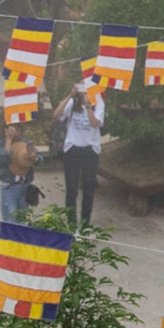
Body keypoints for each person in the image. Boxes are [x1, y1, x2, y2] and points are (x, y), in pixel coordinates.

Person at [56, 74, 104, 225]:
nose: (84, 91)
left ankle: (85, 225)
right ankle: (71, 224)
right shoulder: (73, 102)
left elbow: (95, 123)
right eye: (81, 87)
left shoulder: (98, 102)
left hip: (90, 150)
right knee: (71, 189)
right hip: (73, 149)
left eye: (86, 87)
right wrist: (70, 96)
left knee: (88, 189)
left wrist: (88, 105)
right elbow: (57, 115)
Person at [0, 121, 39, 220]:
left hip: (25, 186)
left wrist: (34, 157)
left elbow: (39, 160)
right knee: (10, 220)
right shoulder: (1, 144)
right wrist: (8, 140)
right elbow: (4, 158)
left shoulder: (27, 144)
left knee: (22, 221)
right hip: (9, 187)